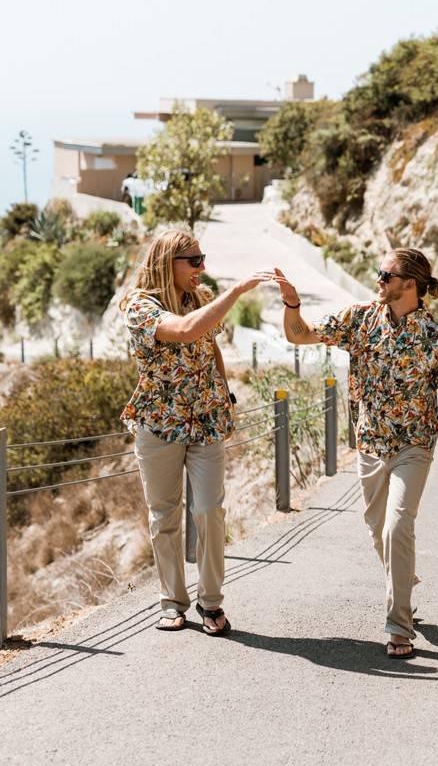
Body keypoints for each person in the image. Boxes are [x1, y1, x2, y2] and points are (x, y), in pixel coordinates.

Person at [273, 248, 438, 659]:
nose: (378, 280)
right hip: (370, 443)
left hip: (414, 446)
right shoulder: (359, 319)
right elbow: (299, 334)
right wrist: (292, 304)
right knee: (377, 528)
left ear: (410, 284)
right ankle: (404, 580)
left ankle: (399, 626)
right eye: (379, 274)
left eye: (386, 275)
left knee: (399, 525)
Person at [121, 230, 275, 634]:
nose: (201, 268)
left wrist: (225, 396)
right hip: (159, 425)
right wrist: (239, 290)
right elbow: (186, 330)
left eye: (202, 258)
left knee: (209, 511)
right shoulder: (139, 307)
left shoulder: (200, 299)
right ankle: (172, 601)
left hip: (205, 421)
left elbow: (209, 345)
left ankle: (211, 601)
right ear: (166, 262)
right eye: (193, 260)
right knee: (164, 516)